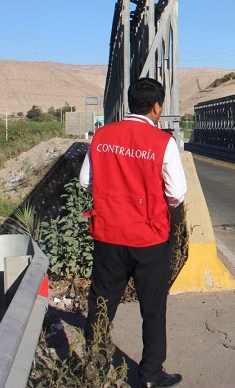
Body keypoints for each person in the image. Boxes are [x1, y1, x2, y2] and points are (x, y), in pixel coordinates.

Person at [79, 77, 187, 388]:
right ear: (157, 107)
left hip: (108, 234)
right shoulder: (162, 142)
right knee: (152, 308)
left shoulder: (102, 135)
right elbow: (177, 193)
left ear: (129, 103)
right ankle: (151, 376)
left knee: (101, 302)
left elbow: (86, 181)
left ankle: (95, 370)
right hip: (148, 237)